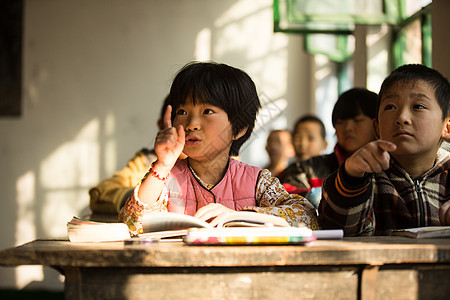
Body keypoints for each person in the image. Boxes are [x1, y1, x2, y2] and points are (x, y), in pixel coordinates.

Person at [118, 61, 318, 235]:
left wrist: (240, 216)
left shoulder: (257, 181)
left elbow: (307, 217)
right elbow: (131, 223)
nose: (192, 124)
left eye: (207, 111)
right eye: (182, 111)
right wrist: (162, 165)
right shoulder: (165, 179)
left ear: (238, 128)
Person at [319, 64, 450, 236]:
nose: (402, 117)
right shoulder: (367, 178)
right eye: (390, 107)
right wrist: (351, 178)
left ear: (447, 127)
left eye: (418, 106)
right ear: (377, 127)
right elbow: (343, 232)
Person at [278, 88, 378, 209]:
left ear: (377, 124)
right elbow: (285, 198)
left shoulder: (390, 170)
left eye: (357, 120)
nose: (348, 128)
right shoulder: (308, 168)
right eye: (340, 122)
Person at [89, 96, 176, 214]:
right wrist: (144, 197)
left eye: (206, 112)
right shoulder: (146, 160)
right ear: (161, 125)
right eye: (181, 114)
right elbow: (101, 193)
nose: (191, 126)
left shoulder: (208, 164)